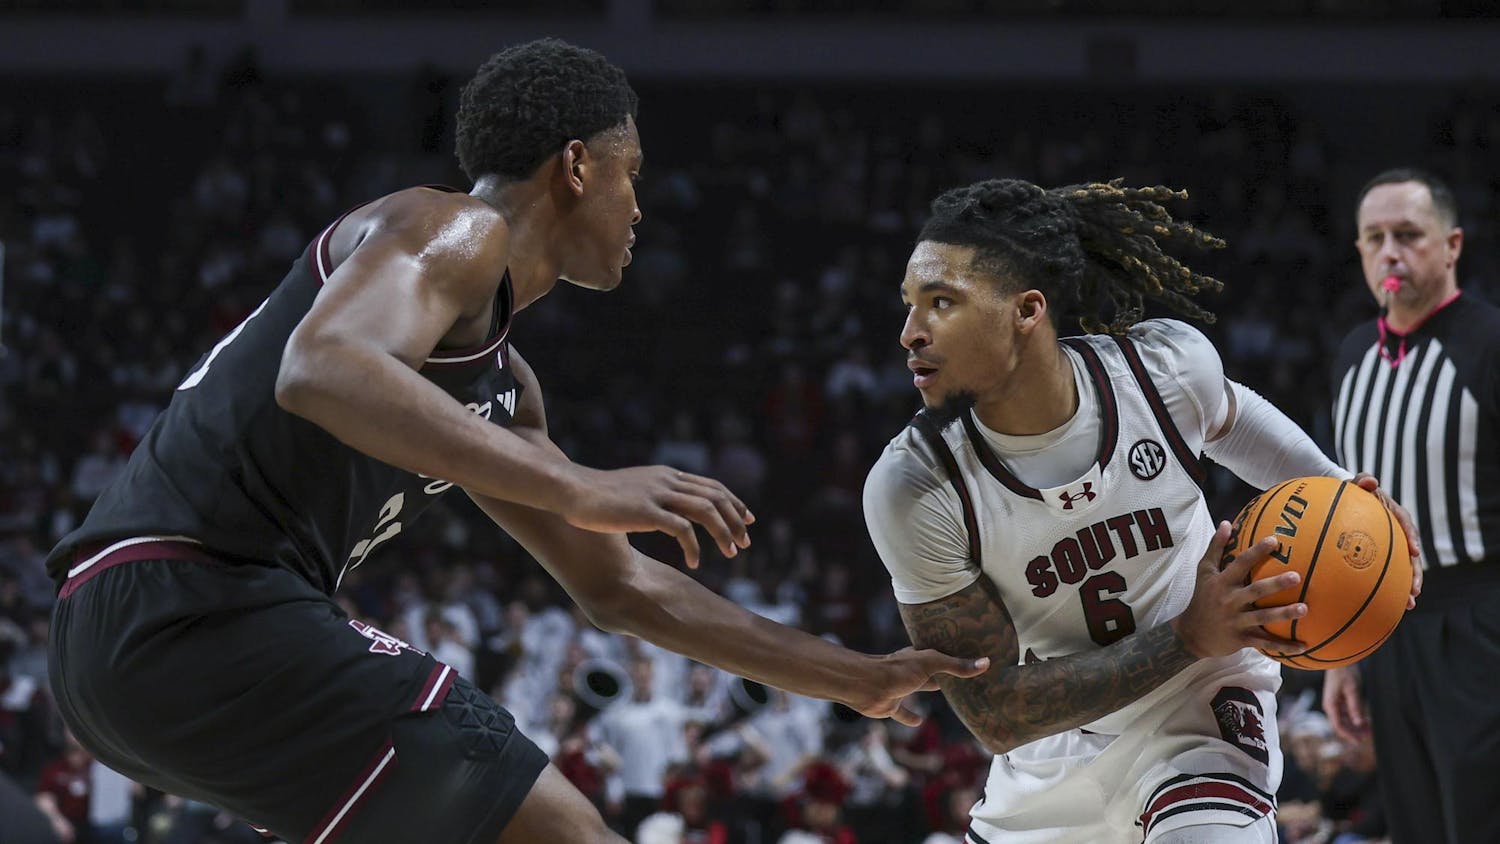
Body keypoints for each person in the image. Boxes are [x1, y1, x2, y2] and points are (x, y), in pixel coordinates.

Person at [44, 39, 986, 844]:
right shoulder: (451, 226)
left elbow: (620, 589)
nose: (640, 209)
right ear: (576, 166)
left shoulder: (504, 388)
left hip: (136, 653)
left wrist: (854, 677)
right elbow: (320, 367)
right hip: (186, 603)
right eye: (633, 175)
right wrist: (579, 487)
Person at [862, 178, 1420, 843]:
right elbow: (996, 714)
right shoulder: (915, 486)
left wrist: (1359, 511)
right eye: (909, 305)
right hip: (1047, 757)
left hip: (1200, 715)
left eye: (941, 303)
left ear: (1026, 310)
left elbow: (1235, 424)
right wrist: (1186, 635)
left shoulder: (1160, 374)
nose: (909, 334)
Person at [1324, 167, 1500, 844]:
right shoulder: (1351, 356)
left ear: (1452, 245)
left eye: (1408, 235)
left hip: (1479, 619)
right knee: (1416, 825)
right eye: (1374, 238)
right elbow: (1344, 506)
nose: (1390, 252)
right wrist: (1342, 652)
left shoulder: (1487, 343)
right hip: (1385, 625)